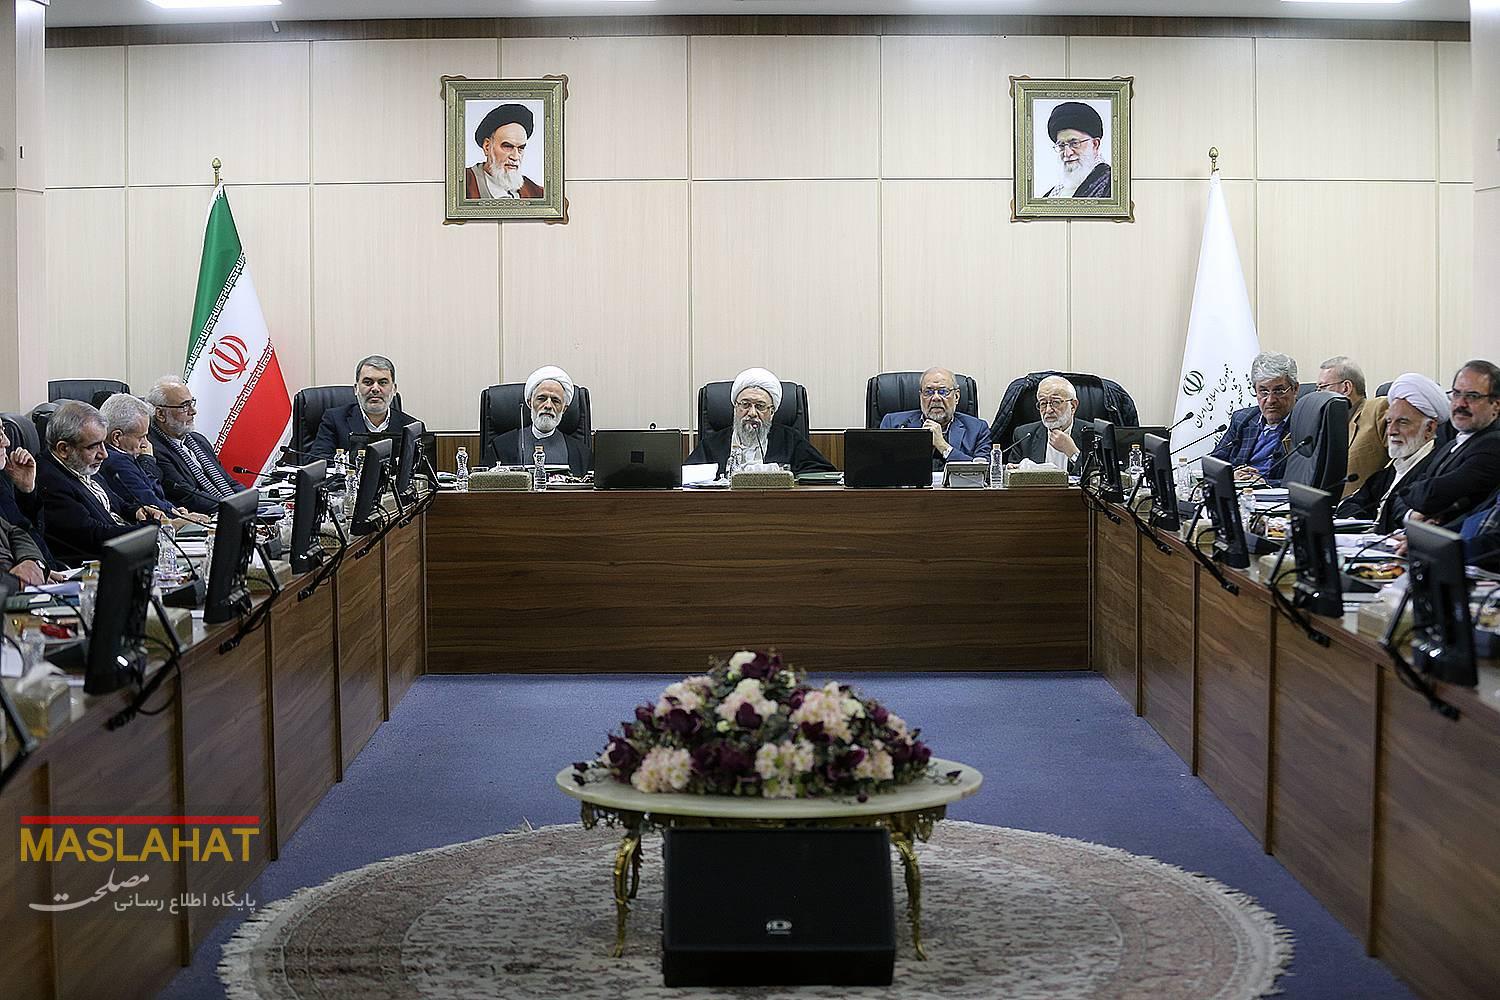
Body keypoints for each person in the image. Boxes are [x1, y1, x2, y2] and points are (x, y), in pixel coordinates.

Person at [36, 401, 156, 567]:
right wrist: (151, 530)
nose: (104, 454)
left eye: (103, 444)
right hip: (98, 566)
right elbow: (93, 535)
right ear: (64, 449)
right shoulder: (50, 481)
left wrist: (136, 511)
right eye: (94, 447)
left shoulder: (80, 464)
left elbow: (116, 503)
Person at [1335, 374, 1447, 534]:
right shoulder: (1394, 467)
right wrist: (1359, 524)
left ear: (1429, 428)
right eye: (1389, 422)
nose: (1391, 431)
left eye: (1403, 422)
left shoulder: (1435, 469)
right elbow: (1351, 503)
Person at [1402, 360, 1500, 529]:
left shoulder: (1493, 446)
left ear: (1496, 405)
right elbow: (1405, 492)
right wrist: (1412, 514)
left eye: (1472, 396)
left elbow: (1430, 495)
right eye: (1456, 394)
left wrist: (1417, 501)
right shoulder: (1451, 445)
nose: (1460, 404)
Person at [687, 368, 835, 479]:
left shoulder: (790, 440)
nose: (752, 413)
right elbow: (687, 477)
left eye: (760, 406)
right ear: (735, 408)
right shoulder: (711, 444)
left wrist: (785, 475)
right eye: (745, 404)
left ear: (772, 412)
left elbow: (823, 473)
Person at [98, 393, 211, 526]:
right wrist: (178, 516)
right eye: (141, 437)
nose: (146, 444)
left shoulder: (122, 455)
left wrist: (174, 510)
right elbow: (149, 502)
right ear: (117, 437)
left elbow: (155, 494)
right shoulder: (116, 461)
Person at [146, 376, 246, 516]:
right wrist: (234, 509)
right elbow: (188, 496)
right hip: (202, 518)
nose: (193, 411)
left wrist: (251, 501)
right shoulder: (154, 449)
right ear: (161, 414)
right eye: (184, 406)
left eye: (192, 403)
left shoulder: (198, 440)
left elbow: (227, 481)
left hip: (228, 510)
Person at [1209, 352, 1300, 485]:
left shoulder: (1305, 425)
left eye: (1278, 391)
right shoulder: (1242, 419)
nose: (1270, 400)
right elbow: (1214, 464)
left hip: (1276, 495)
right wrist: (1232, 475)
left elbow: (1306, 481)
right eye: (1263, 391)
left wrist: (1264, 483)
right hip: (1238, 492)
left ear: (1295, 389)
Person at [309, 355, 420, 461]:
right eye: (368, 382)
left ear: (394, 389)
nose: (375, 389)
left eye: (383, 382)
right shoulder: (334, 419)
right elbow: (317, 461)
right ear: (356, 389)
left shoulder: (412, 427)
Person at [486, 365, 591, 475]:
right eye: (542, 399)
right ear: (530, 402)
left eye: (555, 401)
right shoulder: (500, 446)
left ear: (564, 408)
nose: (548, 405)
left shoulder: (580, 453)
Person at [878, 368, 991, 470]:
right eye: (928, 392)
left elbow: (984, 473)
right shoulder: (893, 423)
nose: (936, 398)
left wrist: (942, 446)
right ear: (921, 396)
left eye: (943, 392)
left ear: (956, 396)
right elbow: (881, 468)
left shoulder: (977, 429)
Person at [1317, 355, 1388, 498]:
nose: (1318, 394)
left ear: (1346, 388)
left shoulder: (1376, 410)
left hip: (1363, 505)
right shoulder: (1325, 421)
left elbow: (1399, 463)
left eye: (1323, 387)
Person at [0, 419, 54, 570]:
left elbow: (28, 531)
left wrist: (26, 490)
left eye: (3, 431)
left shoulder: (2, 478)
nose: (7, 442)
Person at [1008, 375, 1089, 471]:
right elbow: (1012, 474)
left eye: (1055, 402)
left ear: (1073, 406)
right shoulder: (1023, 436)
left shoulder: (1092, 435)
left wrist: (1072, 453)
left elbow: (1098, 475)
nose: (1048, 410)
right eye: (1043, 403)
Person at [465, 104, 544, 200]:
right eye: (508, 146)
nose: (515, 157)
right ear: (487, 147)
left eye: (521, 148)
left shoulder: (536, 193)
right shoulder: (462, 184)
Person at [1041, 102, 1111, 199]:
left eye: (1074, 143)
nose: (1067, 153)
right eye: (1061, 145)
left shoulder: (1112, 184)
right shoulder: (1054, 193)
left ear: (1095, 144)